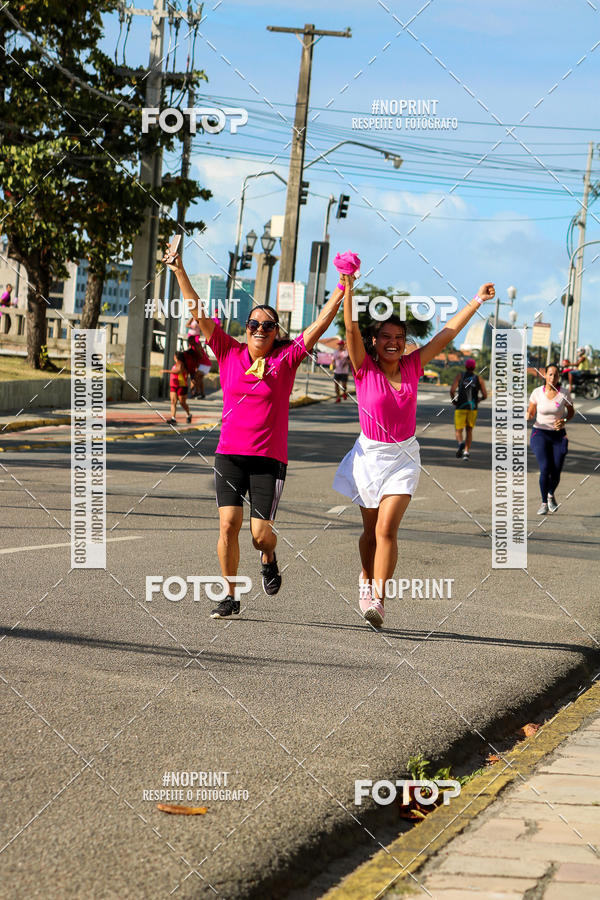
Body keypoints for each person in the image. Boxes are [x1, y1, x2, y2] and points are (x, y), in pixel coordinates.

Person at [165, 250, 346, 619]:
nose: (260, 330)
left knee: (259, 534)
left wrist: (343, 287)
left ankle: (269, 557)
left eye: (268, 325)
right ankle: (230, 595)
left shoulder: (287, 359)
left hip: (268, 460)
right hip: (229, 454)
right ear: (245, 328)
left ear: (276, 331)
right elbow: (198, 311)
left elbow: (319, 325)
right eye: (254, 324)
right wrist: (180, 268)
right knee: (228, 526)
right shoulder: (228, 351)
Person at [334, 274, 495, 628]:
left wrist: (477, 301)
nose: (393, 343)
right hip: (369, 457)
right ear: (374, 341)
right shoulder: (364, 369)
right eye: (386, 338)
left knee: (387, 530)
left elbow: (446, 334)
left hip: (403, 457)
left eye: (400, 338)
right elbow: (349, 330)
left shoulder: (412, 365)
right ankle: (366, 576)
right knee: (369, 531)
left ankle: (377, 597)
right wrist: (348, 289)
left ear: (406, 344)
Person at [527, 364, 574, 515]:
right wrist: (528, 415)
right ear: (545, 376)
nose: (553, 378)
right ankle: (543, 503)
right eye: (550, 374)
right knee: (545, 467)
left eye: (556, 375)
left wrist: (564, 421)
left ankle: (551, 494)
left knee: (557, 469)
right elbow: (531, 411)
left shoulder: (564, 393)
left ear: (559, 377)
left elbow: (571, 412)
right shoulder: (537, 393)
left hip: (558, 435)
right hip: (539, 434)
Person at [450, 358, 487, 459]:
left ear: (466, 366)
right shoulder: (478, 378)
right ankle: (466, 451)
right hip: (472, 408)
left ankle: (460, 443)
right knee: (469, 430)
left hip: (460, 407)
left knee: (458, 430)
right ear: (474, 367)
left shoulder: (460, 376)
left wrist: (454, 400)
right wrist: (479, 399)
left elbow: (452, 390)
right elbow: (485, 394)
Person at [163, 351, 192, 425]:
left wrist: (166, 371)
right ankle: (173, 418)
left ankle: (188, 414)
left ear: (176, 357)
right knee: (173, 401)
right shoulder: (175, 364)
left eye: (174, 355)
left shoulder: (181, 364)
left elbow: (177, 371)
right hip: (173, 385)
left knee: (182, 402)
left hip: (181, 385)